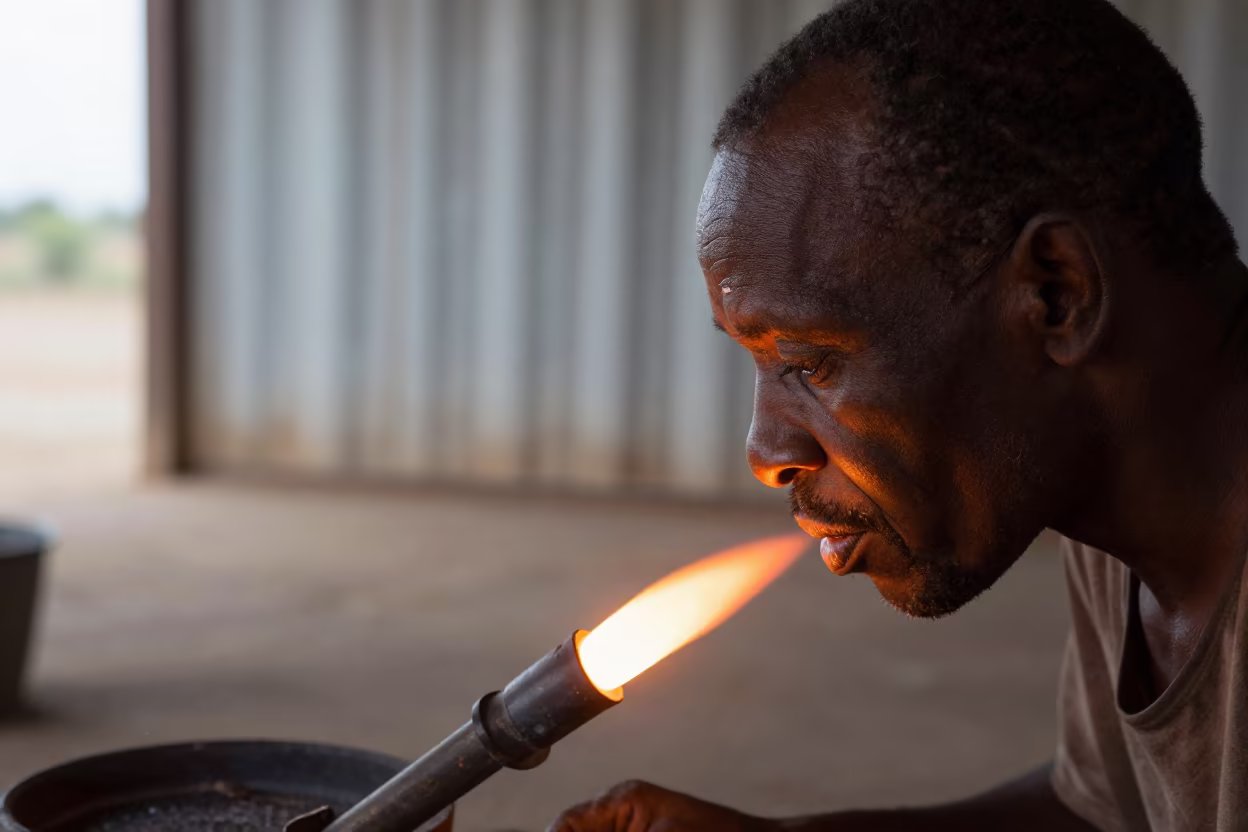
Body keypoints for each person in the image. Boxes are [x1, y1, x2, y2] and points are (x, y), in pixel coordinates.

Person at [548, 0, 1248, 829]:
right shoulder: (1125, 485)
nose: (767, 452)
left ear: (1057, 293)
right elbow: (1100, 815)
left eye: (809, 362)